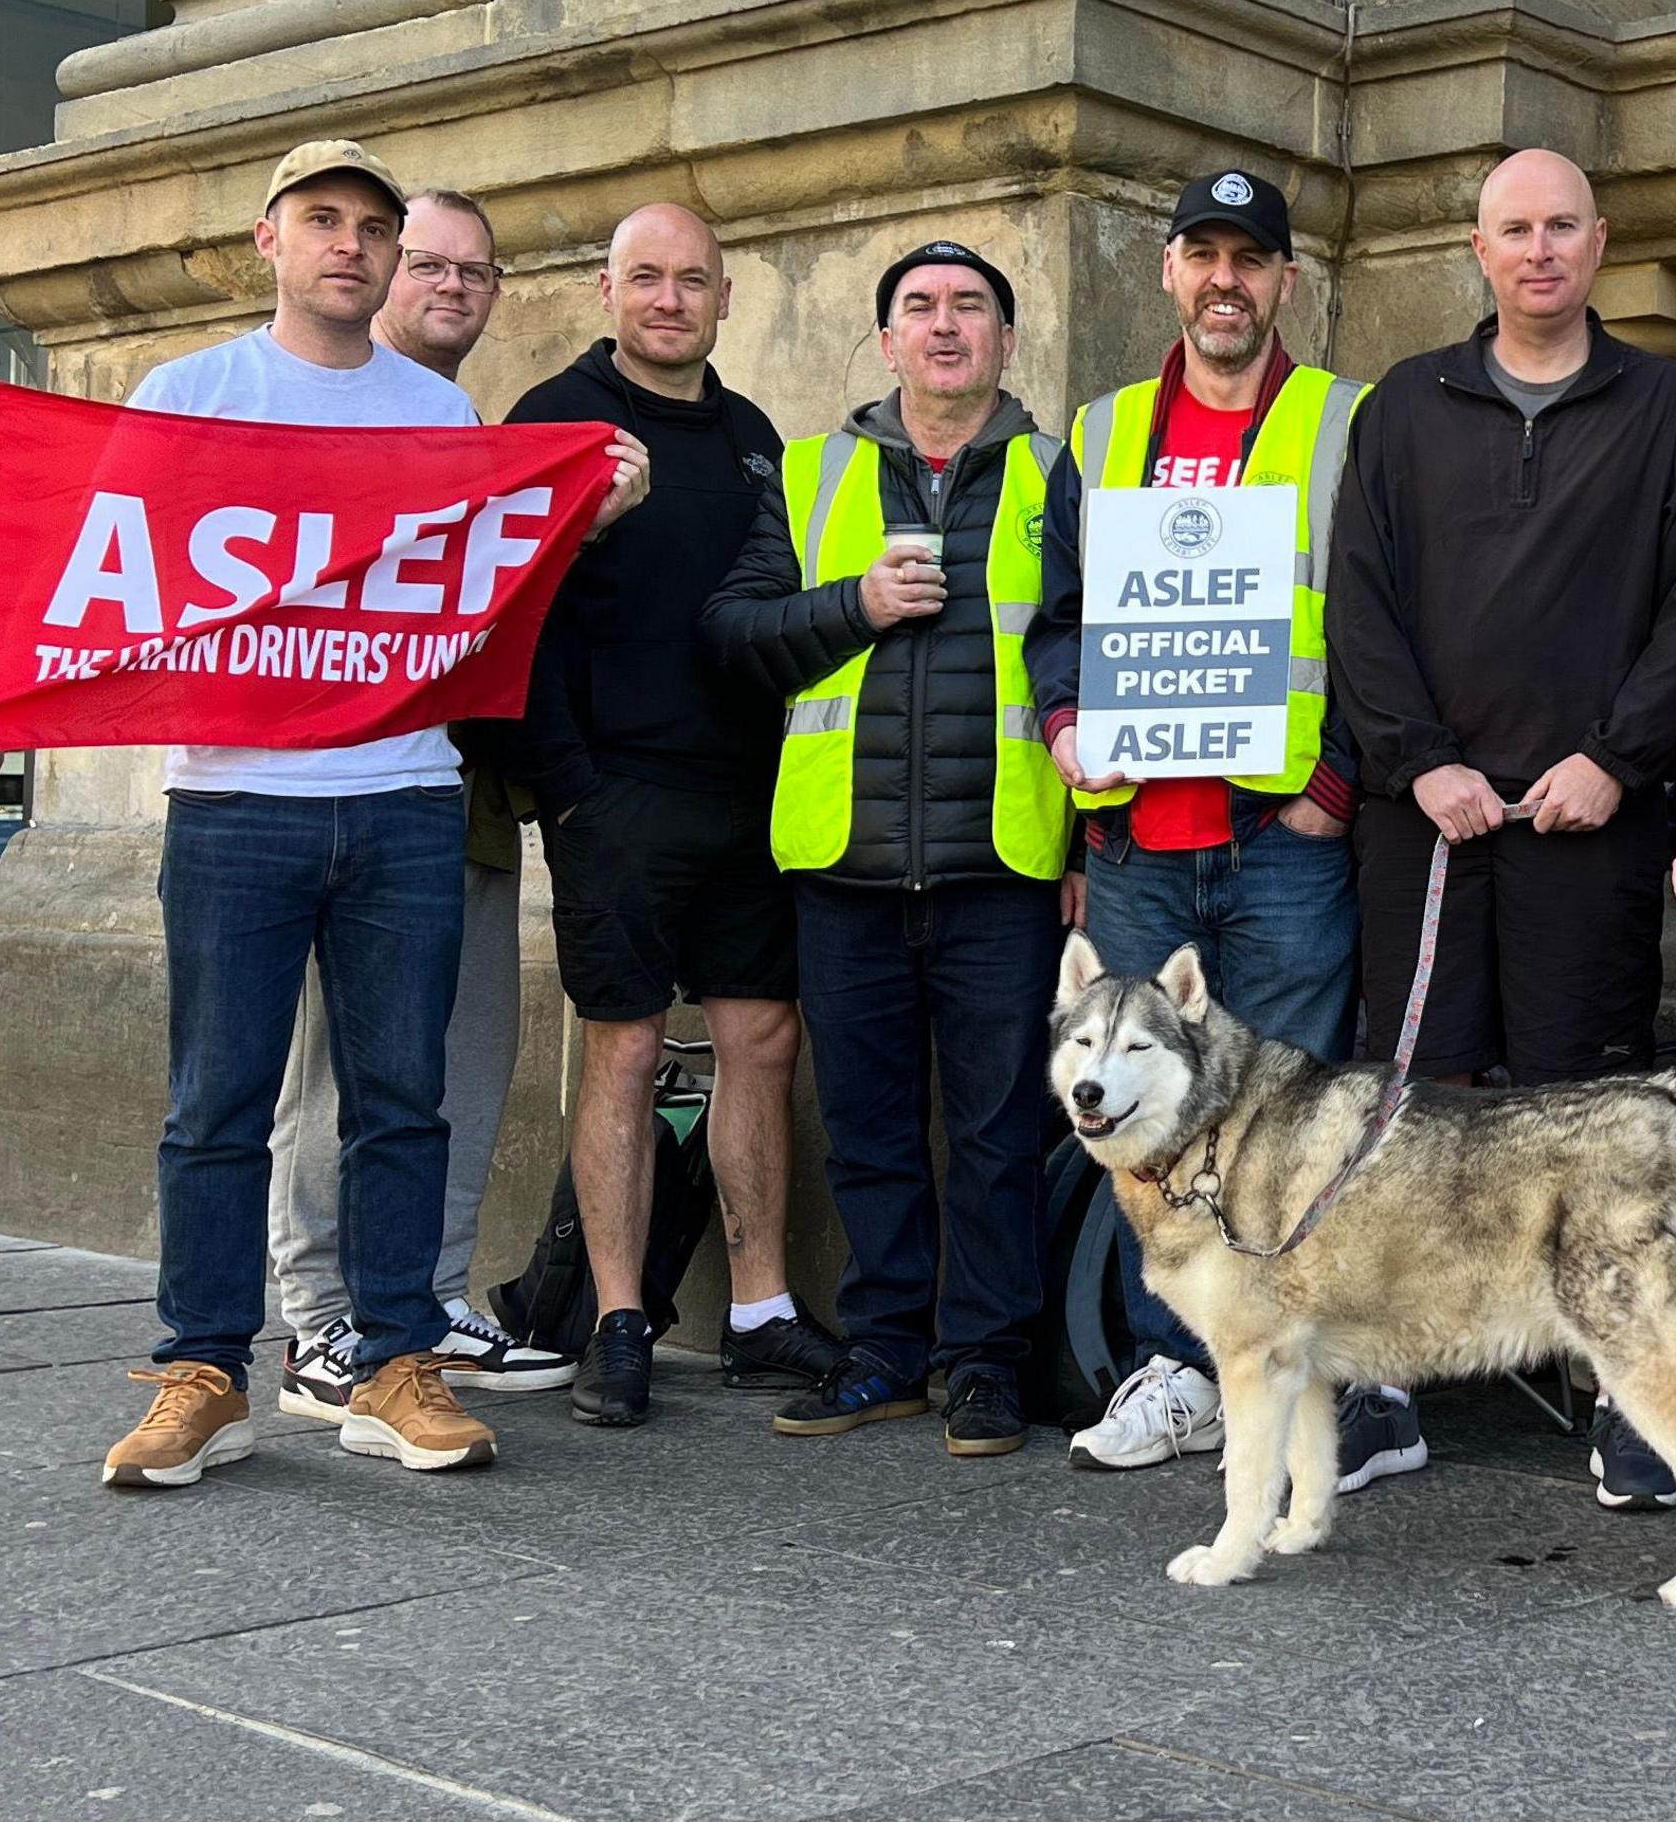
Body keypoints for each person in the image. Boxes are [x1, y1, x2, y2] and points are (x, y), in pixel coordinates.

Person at [0, 141, 636, 1488]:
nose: (351, 245)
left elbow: (490, 592)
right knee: (214, 1103)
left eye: (374, 226)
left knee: (398, 1099)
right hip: (235, 804)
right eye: (326, 221)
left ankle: (391, 1362)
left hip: (406, 798)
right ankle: (202, 1369)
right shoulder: (192, 395)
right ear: (270, 241)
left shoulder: (435, 417)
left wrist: (582, 510)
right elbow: (83, 583)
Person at [1325, 146, 1676, 1510]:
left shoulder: (1669, 404)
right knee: (1410, 1104)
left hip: (1589, 817)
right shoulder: (1404, 404)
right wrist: (1418, 758)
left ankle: (1628, 1397)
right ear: (1480, 249)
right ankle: (1378, 1390)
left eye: (1564, 225)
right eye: (1516, 228)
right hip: (1427, 822)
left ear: (1601, 242)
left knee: (1592, 1114)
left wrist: (1619, 759)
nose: (1541, 248)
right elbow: (1359, 603)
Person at [1027, 169, 1424, 1490]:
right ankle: (1181, 1371)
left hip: (1285, 838)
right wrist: (1063, 716)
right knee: (1160, 1130)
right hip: (1141, 839)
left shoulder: (1346, 422)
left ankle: (1317, 1374)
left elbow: (1388, 617)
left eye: (1250, 259)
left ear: (1284, 281)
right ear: (1170, 273)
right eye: (1203, 253)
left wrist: (1342, 776)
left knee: (1301, 1117)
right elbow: (1055, 614)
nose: (1225, 281)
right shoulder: (1104, 427)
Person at [703, 239, 1074, 1460]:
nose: (947, 325)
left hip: (1002, 862)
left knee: (996, 1130)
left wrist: (1089, 847)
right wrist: (851, 605)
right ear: (885, 341)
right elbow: (736, 635)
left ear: (1009, 341)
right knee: (865, 1127)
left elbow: (1094, 658)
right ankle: (885, 1350)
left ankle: (986, 1363)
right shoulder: (809, 476)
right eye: (920, 307)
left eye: (972, 306)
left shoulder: (1056, 475)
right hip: (844, 866)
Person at [504, 203, 836, 1429]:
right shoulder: (551, 419)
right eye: (645, 277)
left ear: (724, 299)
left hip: (747, 790)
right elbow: (500, 607)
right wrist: (564, 782)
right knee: (630, 1048)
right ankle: (619, 1316)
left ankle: (758, 1310)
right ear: (606, 288)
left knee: (761, 1039)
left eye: (692, 280)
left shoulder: (753, 437)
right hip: (614, 790)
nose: (668, 299)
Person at [260, 190, 575, 1421]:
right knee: (331, 1071)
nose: (453, 286)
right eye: (430, 261)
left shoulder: (460, 423)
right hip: (322, 789)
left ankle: (424, 1298)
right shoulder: (309, 411)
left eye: (478, 273)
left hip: (463, 794)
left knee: (464, 1055)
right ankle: (321, 1322)